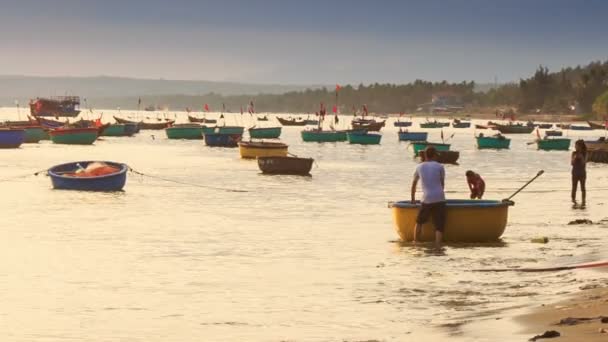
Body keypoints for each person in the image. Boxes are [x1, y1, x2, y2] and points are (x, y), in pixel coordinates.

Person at [411, 146, 446, 249]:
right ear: (434, 155)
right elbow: (442, 184)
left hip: (426, 198)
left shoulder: (419, 167)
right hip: (439, 197)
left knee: (419, 222)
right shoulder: (440, 166)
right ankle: (437, 245)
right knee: (439, 225)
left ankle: (415, 242)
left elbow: (414, 184)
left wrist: (413, 199)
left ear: (425, 155)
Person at [571, 139, 587, 206]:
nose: (575, 146)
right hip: (574, 172)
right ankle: (573, 200)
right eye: (575, 145)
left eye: (576, 145)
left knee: (582, 188)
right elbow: (572, 163)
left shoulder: (585, 153)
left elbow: (584, 163)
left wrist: (581, 157)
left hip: (582, 173)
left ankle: (583, 201)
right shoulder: (574, 153)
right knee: (574, 187)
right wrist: (574, 158)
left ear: (580, 146)